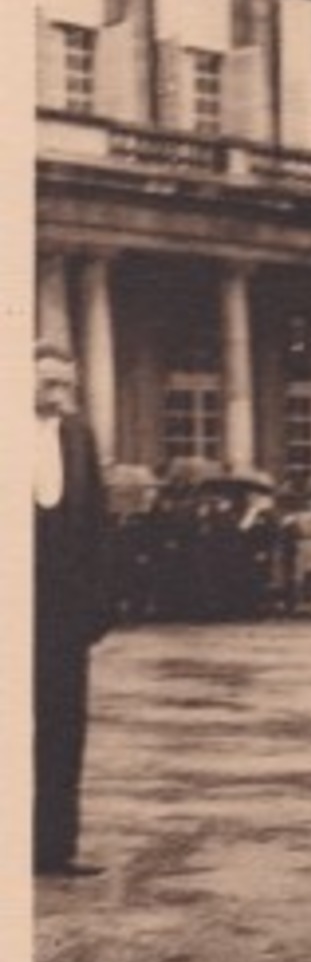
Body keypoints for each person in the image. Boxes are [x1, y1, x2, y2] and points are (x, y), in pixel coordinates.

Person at [33, 342, 110, 877]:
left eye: (66, 385)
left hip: (64, 611)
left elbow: (98, 523)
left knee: (63, 729)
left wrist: (98, 608)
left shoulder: (79, 435)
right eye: (48, 384)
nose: (59, 396)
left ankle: (54, 848)